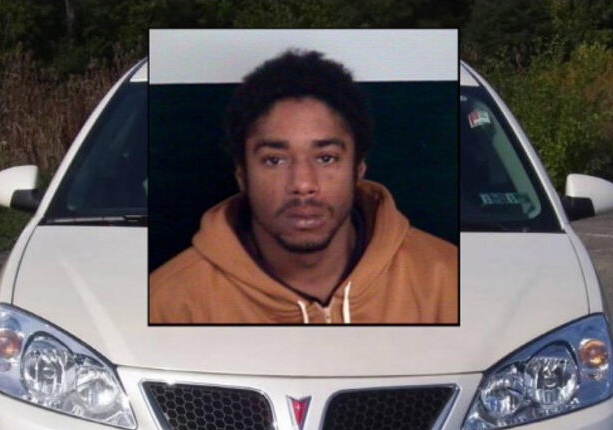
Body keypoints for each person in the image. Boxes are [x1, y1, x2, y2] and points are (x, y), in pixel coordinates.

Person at [149, 50, 458, 324]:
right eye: (274, 160)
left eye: (325, 158)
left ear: (358, 168)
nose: (303, 184)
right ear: (242, 174)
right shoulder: (167, 303)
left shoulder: (449, 280)